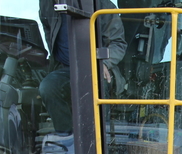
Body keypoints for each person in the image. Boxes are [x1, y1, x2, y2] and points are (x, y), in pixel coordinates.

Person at [38, 0, 126, 134]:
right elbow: (48, 29)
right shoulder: (47, 4)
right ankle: (67, 140)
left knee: (98, 86)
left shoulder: (103, 6)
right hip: (65, 69)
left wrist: (104, 63)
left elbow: (118, 43)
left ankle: (100, 141)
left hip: (98, 68)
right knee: (48, 87)